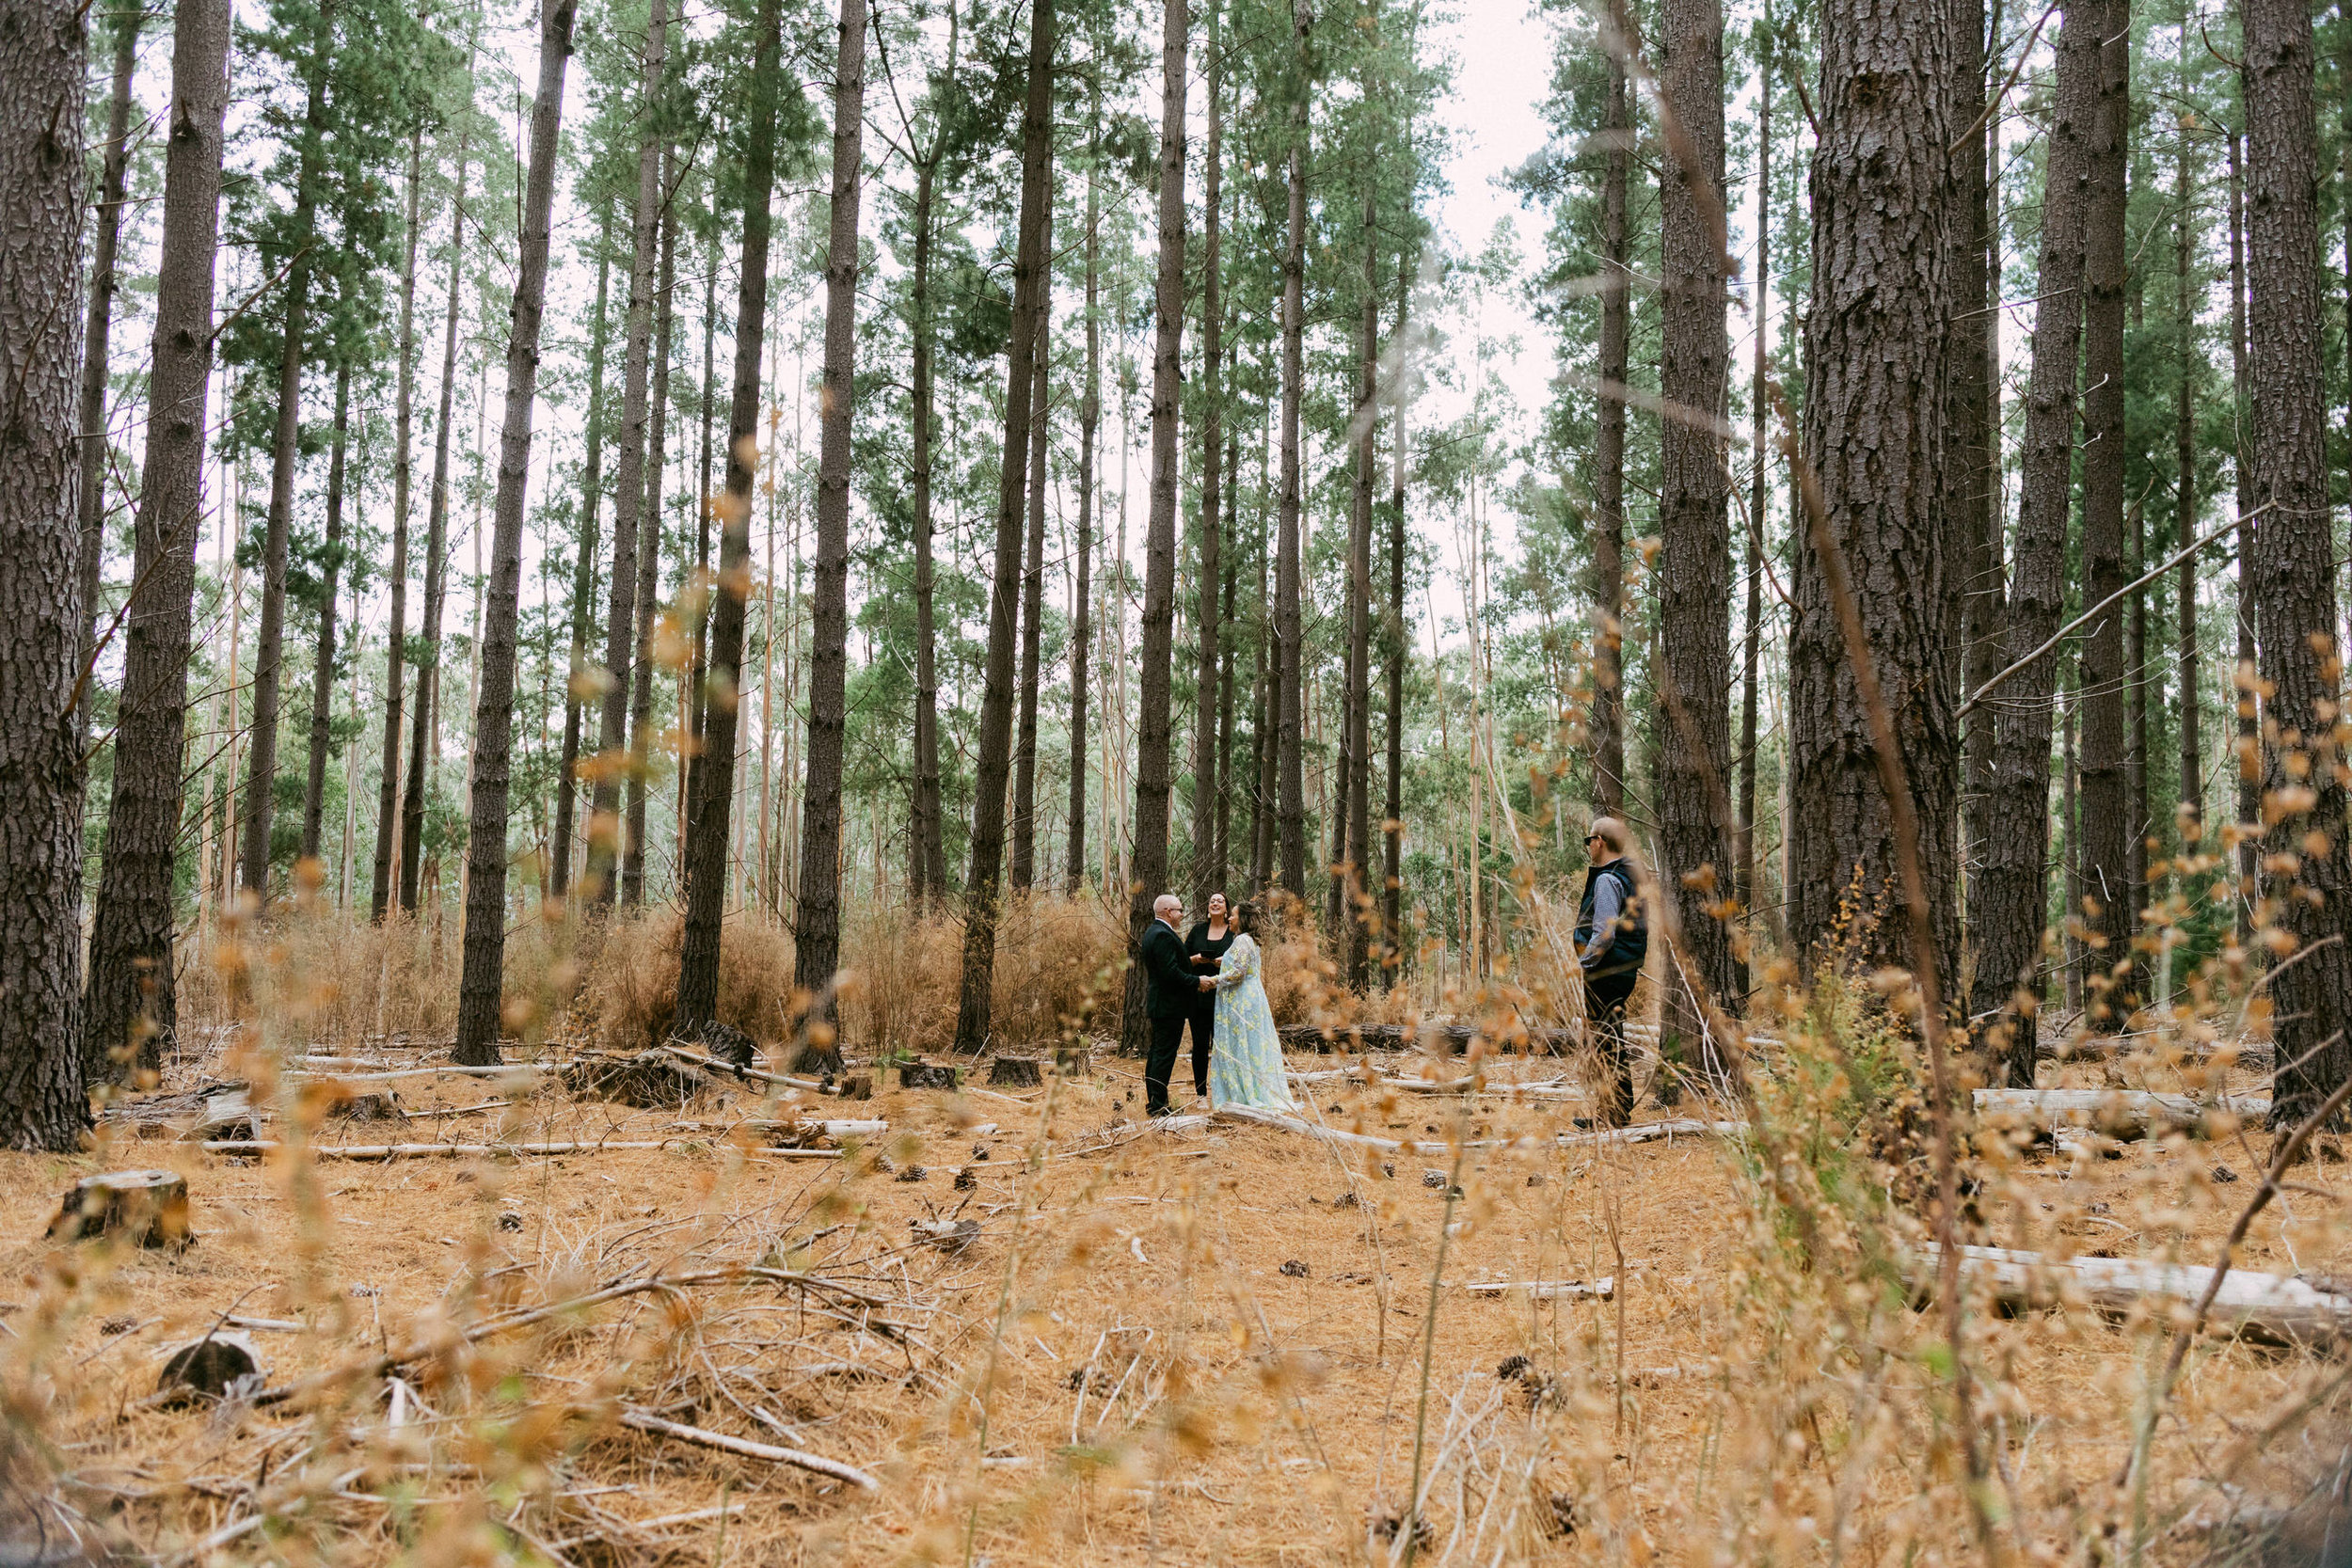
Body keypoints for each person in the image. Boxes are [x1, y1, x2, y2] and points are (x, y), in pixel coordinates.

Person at [1573, 816, 1648, 1127]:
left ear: (1599, 842)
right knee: (1611, 1038)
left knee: (1606, 1042)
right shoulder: (1631, 876)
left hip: (1605, 970)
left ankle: (1614, 1113)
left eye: (1589, 841)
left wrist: (1584, 963)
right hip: (1623, 969)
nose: (1588, 847)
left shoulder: (1607, 880)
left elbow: (1604, 933)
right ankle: (1615, 1109)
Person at [1207, 902, 1295, 1110]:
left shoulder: (1242, 941)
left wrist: (1214, 980)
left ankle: (1243, 1092)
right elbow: (1242, 965)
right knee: (1249, 1043)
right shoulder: (1248, 941)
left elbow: (1239, 973)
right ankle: (1251, 1087)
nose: (1229, 918)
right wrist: (1225, 960)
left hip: (1241, 999)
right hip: (1252, 996)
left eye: (1233, 915)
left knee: (1241, 1043)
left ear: (1243, 919)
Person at [1139, 893, 1214, 1117]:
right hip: (1168, 1005)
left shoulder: (1156, 932)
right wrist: (1197, 981)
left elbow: (1170, 965)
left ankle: (1155, 1101)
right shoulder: (1162, 935)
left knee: (1157, 1053)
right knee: (1163, 1055)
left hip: (1164, 1004)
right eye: (1180, 910)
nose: (1182, 914)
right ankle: (1158, 1106)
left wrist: (1190, 963)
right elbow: (1170, 974)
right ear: (1168, 912)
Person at [1184, 893, 1236, 1103]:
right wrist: (1196, 959)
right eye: (1212, 900)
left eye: (1220, 901)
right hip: (1199, 996)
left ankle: (1225, 1093)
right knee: (1199, 1046)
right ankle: (1201, 1094)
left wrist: (1224, 963)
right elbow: (1182, 960)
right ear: (1208, 907)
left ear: (1226, 909)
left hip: (1225, 998)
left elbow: (1242, 963)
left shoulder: (1233, 933)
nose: (1215, 903)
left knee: (1223, 1045)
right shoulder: (1197, 930)